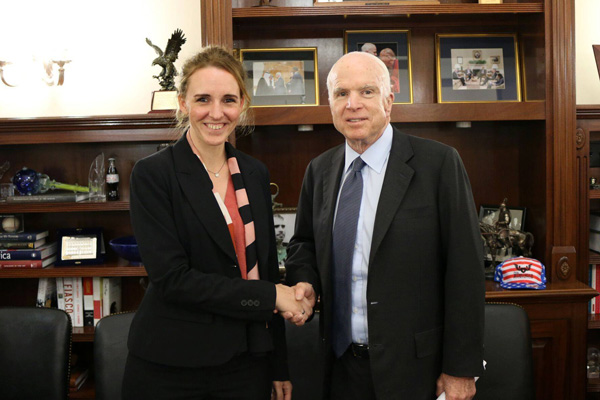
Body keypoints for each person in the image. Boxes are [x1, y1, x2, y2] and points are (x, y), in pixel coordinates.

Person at [285, 51, 485, 400]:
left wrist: (460, 369)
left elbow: (465, 270)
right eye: (341, 94)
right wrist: (305, 280)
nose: (353, 104)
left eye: (366, 91)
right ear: (330, 105)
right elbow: (304, 244)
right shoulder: (319, 170)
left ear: (389, 100)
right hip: (339, 365)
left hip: (416, 369)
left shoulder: (438, 164)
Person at [123, 46, 312, 400]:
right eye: (202, 99)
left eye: (228, 99)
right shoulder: (153, 175)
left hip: (248, 363)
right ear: (182, 103)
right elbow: (173, 280)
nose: (216, 113)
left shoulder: (255, 174)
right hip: (173, 367)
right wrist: (273, 295)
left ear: (242, 104)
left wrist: (278, 365)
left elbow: (267, 267)